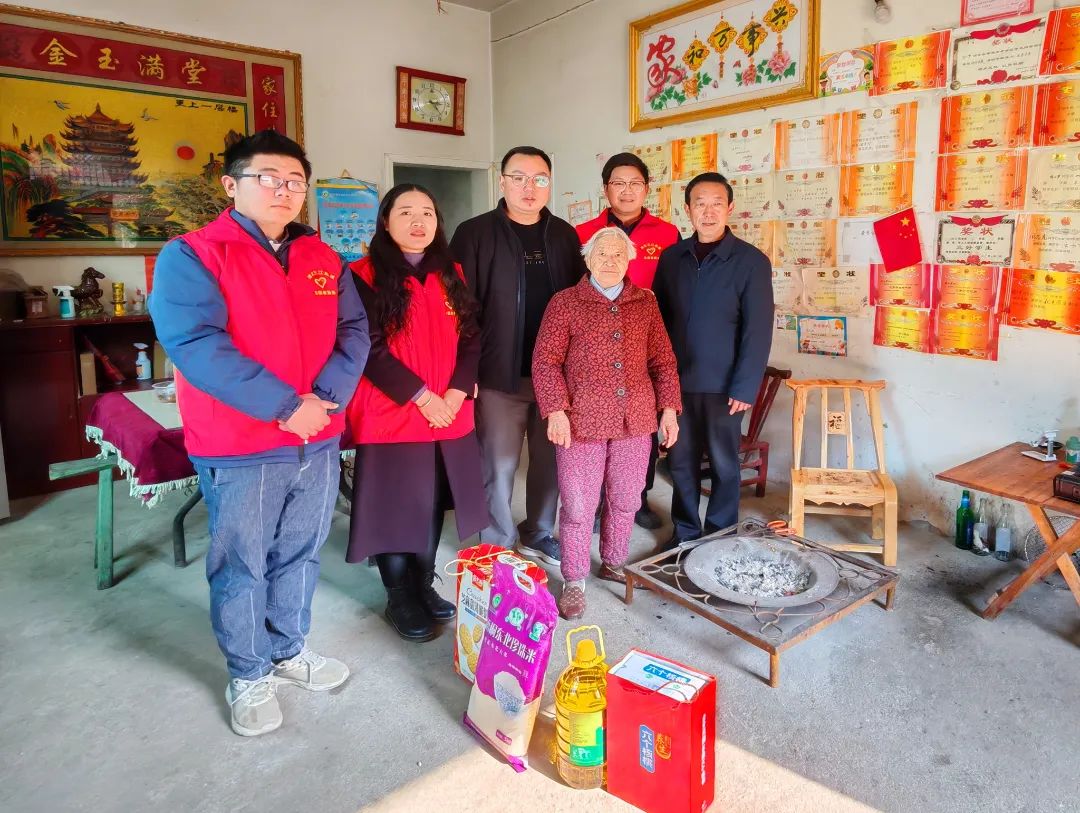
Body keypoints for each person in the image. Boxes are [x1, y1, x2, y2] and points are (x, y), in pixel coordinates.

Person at [149, 130, 370, 737]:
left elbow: (355, 331)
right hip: (240, 443)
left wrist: (325, 400)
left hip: (317, 436)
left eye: (295, 181)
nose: (283, 190)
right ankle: (248, 671)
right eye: (268, 178)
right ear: (231, 185)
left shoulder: (324, 258)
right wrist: (283, 405)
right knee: (241, 561)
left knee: (301, 549)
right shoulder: (193, 254)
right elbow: (196, 344)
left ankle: (288, 648)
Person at [345, 184, 489, 643]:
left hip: (449, 412)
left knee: (430, 503)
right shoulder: (362, 275)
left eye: (427, 212)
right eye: (406, 212)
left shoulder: (450, 272)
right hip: (393, 412)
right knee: (394, 507)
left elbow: (471, 337)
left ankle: (423, 585)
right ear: (386, 221)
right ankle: (398, 595)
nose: (418, 221)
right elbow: (367, 347)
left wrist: (457, 392)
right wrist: (424, 397)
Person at [532, 226, 681, 619]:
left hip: (636, 419)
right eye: (602, 254)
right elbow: (545, 362)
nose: (610, 262)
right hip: (581, 420)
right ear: (588, 259)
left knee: (627, 498)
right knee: (579, 504)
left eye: (618, 254)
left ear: (630, 259)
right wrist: (555, 410)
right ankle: (574, 579)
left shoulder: (645, 303)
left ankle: (614, 561)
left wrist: (669, 409)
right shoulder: (565, 302)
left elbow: (663, 361)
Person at [450, 146, 587, 567]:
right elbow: (458, 308)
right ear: (502, 181)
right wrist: (465, 371)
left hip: (556, 377)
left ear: (550, 183)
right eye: (519, 177)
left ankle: (538, 532)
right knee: (498, 463)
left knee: (550, 461)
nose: (530, 187)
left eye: (540, 179)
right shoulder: (474, 234)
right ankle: (495, 543)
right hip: (497, 374)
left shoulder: (564, 236)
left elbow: (581, 304)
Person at [653, 172, 773, 548]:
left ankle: (720, 534)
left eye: (716, 204)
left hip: (725, 387)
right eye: (700, 204)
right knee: (680, 463)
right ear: (688, 210)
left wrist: (745, 386)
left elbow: (758, 329)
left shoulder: (751, 262)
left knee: (724, 464)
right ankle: (685, 532)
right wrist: (657, 380)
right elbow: (657, 322)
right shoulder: (672, 258)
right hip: (677, 384)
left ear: (730, 208)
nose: (708, 212)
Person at [576, 152, 681, 530]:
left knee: (640, 428)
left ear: (646, 188)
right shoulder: (583, 232)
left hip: (643, 345)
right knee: (595, 428)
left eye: (635, 183)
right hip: (595, 349)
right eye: (618, 183)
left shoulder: (667, 234)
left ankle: (637, 498)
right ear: (605, 189)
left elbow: (674, 291)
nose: (626, 190)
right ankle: (596, 503)